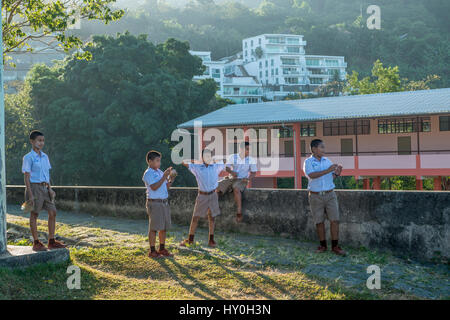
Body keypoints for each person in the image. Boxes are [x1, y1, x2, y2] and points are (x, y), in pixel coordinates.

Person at [22, 130, 66, 251]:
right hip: (34, 187)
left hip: (45, 187)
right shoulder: (28, 157)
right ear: (32, 141)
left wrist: (50, 189)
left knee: (53, 212)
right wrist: (30, 194)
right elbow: (26, 177)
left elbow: (47, 174)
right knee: (34, 214)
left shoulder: (45, 157)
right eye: (39, 140)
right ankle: (36, 242)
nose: (41, 143)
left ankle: (51, 241)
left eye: (43, 141)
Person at [303, 139, 346, 256]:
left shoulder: (327, 161)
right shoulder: (308, 162)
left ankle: (335, 246)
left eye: (324, 147)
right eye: (321, 147)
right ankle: (323, 245)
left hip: (330, 194)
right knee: (319, 221)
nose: (324, 150)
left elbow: (329, 177)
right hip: (315, 196)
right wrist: (328, 170)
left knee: (335, 220)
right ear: (314, 149)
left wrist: (336, 173)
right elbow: (311, 175)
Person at [179, 149, 226, 248]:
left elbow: (225, 160)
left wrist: (215, 160)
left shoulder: (216, 167)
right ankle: (190, 240)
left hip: (213, 194)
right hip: (202, 195)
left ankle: (211, 240)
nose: (207, 158)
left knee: (212, 218)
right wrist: (195, 161)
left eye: (209, 156)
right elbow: (183, 162)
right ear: (202, 158)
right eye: (205, 156)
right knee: (195, 217)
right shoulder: (197, 167)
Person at [142, 150, 176, 258]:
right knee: (154, 227)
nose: (159, 163)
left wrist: (171, 178)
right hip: (155, 203)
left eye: (159, 161)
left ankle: (161, 248)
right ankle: (152, 251)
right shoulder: (148, 173)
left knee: (163, 227)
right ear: (150, 161)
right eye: (157, 161)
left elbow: (166, 186)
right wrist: (164, 176)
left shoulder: (160, 172)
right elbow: (154, 187)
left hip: (163, 202)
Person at [217, 141, 257, 222]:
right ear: (241, 149)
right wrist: (232, 172)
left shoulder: (251, 159)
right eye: (247, 149)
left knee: (236, 189)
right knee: (216, 187)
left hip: (242, 180)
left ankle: (239, 212)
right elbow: (227, 167)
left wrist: (248, 178)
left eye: (249, 149)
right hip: (231, 178)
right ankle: (213, 208)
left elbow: (253, 173)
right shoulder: (232, 157)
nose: (249, 151)